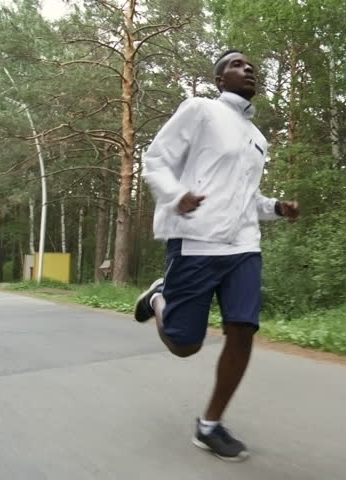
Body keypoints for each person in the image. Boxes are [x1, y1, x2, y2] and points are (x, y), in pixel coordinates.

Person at [133, 50, 299, 462]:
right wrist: (176, 195)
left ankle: (210, 425)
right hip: (196, 240)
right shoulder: (200, 110)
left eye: (251, 65)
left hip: (243, 246)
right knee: (184, 345)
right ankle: (159, 297)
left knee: (243, 331)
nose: (248, 68)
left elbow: (246, 197)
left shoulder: (257, 137)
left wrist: (275, 207)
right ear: (220, 80)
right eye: (237, 65)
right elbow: (155, 160)